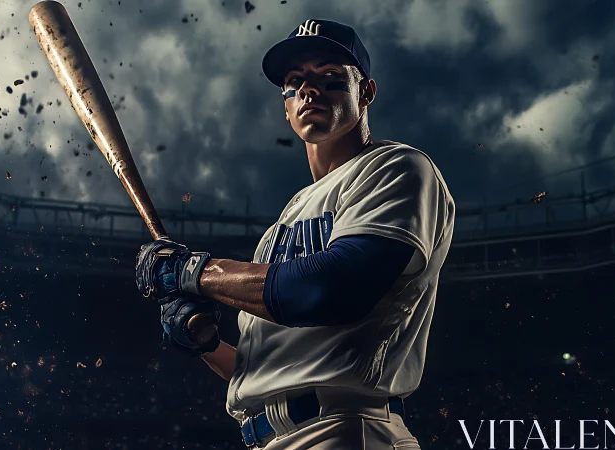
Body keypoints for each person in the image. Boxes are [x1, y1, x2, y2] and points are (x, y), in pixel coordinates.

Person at [135, 18, 455, 449]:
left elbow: (333, 288)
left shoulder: (396, 167)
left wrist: (196, 272)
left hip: (345, 430)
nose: (309, 89)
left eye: (330, 77)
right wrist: (206, 344)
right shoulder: (284, 220)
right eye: (295, 81)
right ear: (285, 106)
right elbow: (268, 371)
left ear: (367, 92)